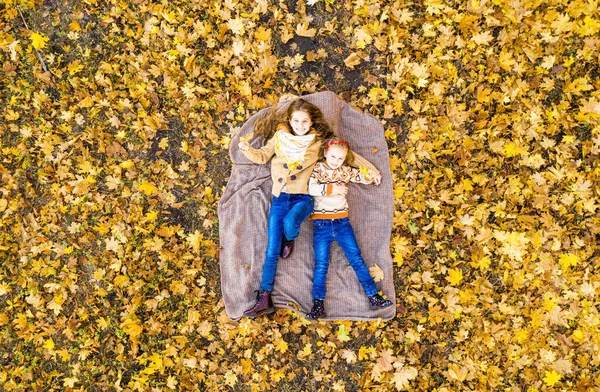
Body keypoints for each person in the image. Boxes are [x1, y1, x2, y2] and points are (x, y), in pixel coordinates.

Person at [239, 99, 380, 318]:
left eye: (305, 121)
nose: (300, 125)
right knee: (271, 250)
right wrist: (248, 149)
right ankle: (265, 297)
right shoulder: (280, 138)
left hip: (304, 197)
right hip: (279, 197)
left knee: (289, 223)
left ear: (311, 122)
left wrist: (370, 170)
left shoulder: (318, 142)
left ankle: (290, 235)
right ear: (290, 121)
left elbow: (347, 154)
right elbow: (262, 156)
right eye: (296, 121)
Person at [305, 137, 392, 319]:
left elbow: (358, 175)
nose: (335, 162)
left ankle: (373, 296)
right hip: (322, 224)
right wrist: (333, 189)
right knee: (321, 264)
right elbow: (311, 187)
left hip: (342, 222)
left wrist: (371, 176)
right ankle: (318, 304)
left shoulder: (344, 171)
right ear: (326, 154)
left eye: (340, 159)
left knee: (356, 258)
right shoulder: (319, 169)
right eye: (333, 157)